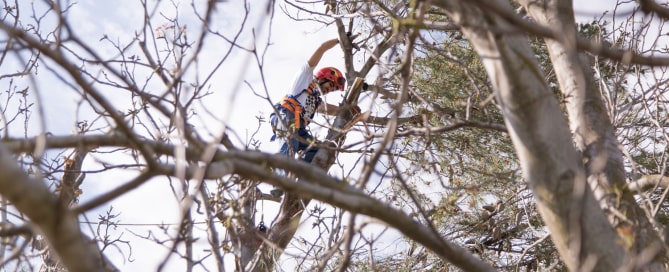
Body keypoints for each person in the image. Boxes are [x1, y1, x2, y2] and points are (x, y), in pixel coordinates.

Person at [269, 38, 347, 165]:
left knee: (321, 150)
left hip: (300, 128)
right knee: (290, 146)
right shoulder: (305, 78)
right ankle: (282, 182)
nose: (329, 90)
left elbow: (331, 110)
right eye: (330, 85)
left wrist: (349, 110)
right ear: (323, 78)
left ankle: (301, 178)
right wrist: (340, 40)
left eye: (333, 90)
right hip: (286, 116)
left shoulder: (314, 100)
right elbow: (321, 48)